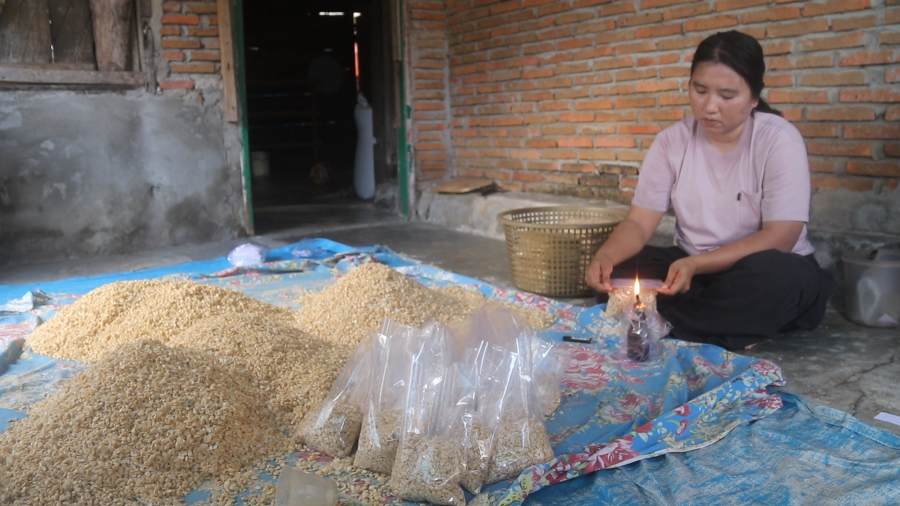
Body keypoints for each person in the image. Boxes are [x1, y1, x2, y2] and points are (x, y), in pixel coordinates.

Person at [585, 30, 833, 350]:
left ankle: (662, 322)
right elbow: (638, 223)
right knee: (620, 271)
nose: (710, 107)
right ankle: (710, 326)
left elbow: (781, 236)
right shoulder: (671, 142)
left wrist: (696, 265)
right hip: (691, 267)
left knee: (777, 279)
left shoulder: (778, 139)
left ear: (754, 98)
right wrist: (605, 255)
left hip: (757, 268)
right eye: (700, 90)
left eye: (727, 96)